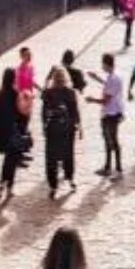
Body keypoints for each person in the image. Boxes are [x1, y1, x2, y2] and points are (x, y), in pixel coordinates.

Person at [42, 66, 81, 197]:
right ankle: (70, 178)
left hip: (53, 128)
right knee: (68, 155)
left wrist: (44, 127)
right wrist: (78, 126)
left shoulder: (48, 93)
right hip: (67, 128)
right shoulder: (70, 92)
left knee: (51, 158)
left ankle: (53, 185)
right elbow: (75, 112)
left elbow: (44, 113)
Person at [0, 67, 30, 199]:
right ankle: (6, 186)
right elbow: (22, 113)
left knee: (8, 160)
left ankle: (4, 185)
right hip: (13, 131)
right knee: (11, 161)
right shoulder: (15, 93)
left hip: (2, 131)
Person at [86, 52, 125, 179]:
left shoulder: (113, 78)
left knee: (113, 140)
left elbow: (106, 100)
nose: (101, 66)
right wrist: (97, 78)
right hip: (113, 111)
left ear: (106, 64)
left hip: (111, 113)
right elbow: (108, 86)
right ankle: (108, 166)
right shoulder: (115, 75)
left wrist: (92, 100)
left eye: (102, 64)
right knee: (108, 140)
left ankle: (118, 169)